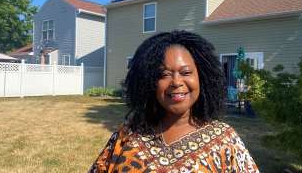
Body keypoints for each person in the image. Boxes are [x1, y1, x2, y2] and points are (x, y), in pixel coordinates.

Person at [89, 30, 259, 173]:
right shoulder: (127, 134)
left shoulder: (226, 141)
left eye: (185, 73)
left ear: (202, 78)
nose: (176, 82)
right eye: (164, 74)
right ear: (149, 82)